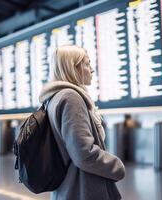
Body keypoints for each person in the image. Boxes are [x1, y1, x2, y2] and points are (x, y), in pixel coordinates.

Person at [39, 45, 125, 200]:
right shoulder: (71, 98)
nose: (91, 69)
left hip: (67, 188)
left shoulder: (54, 98)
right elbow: (83, 153)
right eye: (87, 64)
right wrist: (116, 166)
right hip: (82, 190)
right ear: (73, 68)